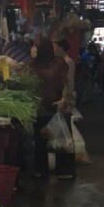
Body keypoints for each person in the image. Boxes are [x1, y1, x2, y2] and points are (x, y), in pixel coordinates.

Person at [28, 37, 74, 180]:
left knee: (61, 139)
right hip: (39, 107)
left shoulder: (59, 63)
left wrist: (64, 99)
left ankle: (65, 171)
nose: (32, 50)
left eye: (34, 47)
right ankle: (41, 169)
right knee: (40, 139)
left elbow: (67, 83)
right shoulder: (30, 65)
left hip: (58, 107)